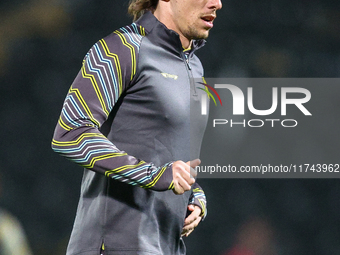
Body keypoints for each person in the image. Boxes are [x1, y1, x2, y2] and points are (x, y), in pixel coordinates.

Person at [52, 0, 222, 254]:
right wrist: (155, 176)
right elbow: (71, 132)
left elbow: (169, 163)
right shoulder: (122, 48)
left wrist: (195, 197)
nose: (217, 3)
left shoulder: (195, 67)